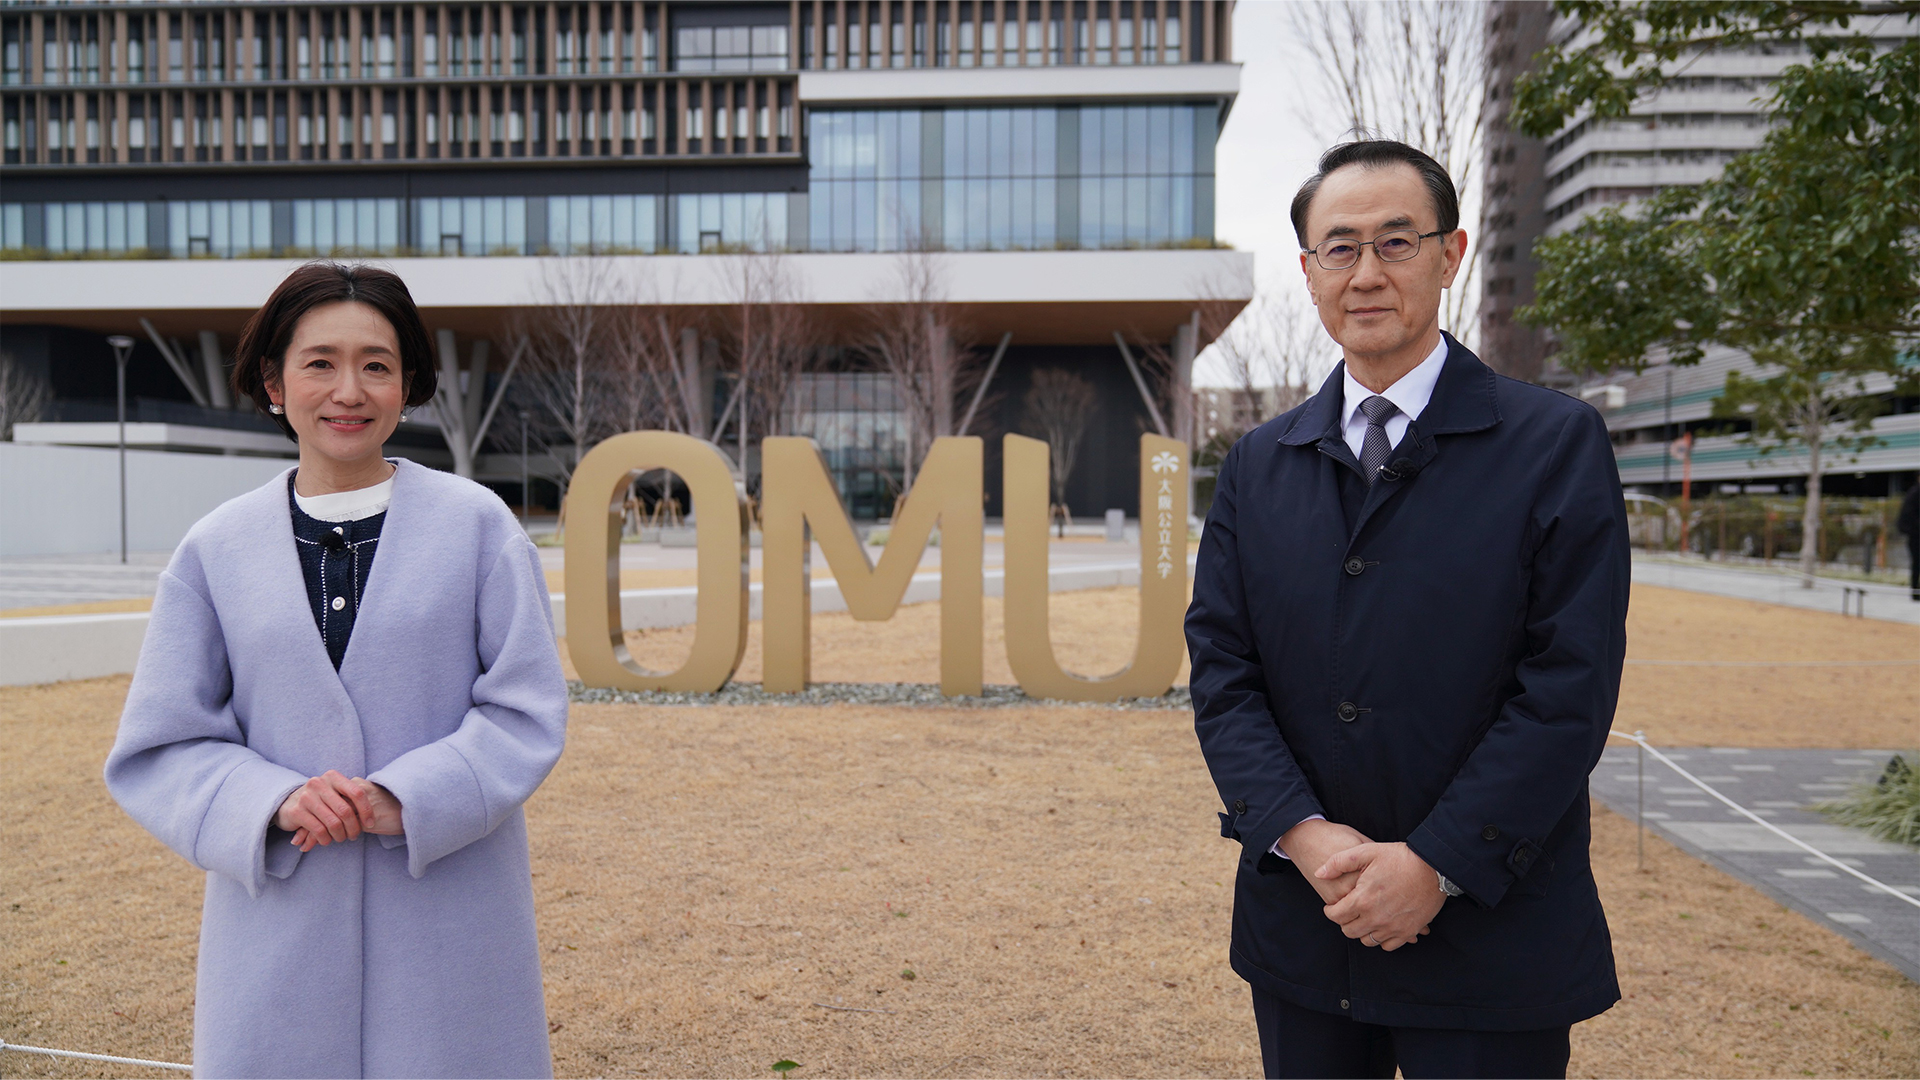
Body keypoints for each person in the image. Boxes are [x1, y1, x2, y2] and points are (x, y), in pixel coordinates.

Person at [1186, 140, 1629, 1080]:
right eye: (1339, 248)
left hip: (1492, 933)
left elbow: (1569, 686)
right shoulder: (1259, 464)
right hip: (1309, 922)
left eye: (1397, 242)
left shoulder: (1555, 444)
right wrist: (1303, 835)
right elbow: (1223, 673)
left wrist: (1436, 863)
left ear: (1451, 253)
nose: (1367, 274)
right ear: (1309, 271)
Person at [104, 262, 568, 1079]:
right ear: (273, 382)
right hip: (278, 928)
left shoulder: (480, 528)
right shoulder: (214, 548)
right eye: (320, 362)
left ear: (407, 384)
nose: (349, 391)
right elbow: (162, 743)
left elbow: (525, 709)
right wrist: (273, 801)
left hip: (449, 918)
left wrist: (411, 796)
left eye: (376, 365)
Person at [1900, 484, 1919, 601]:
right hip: (1916, 535)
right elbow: (1907, 516)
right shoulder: (1914, 493)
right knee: (1917, 563)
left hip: (1914, 534)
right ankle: (1915, 591)